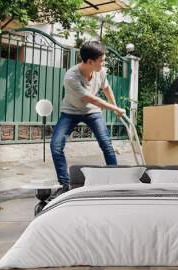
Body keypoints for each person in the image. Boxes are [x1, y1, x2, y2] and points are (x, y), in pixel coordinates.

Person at [50, 41, 125, 198]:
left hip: (92, 112)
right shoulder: (71, 77)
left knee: (106, 144)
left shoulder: (100, 71)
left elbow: (106, 89)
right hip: (70, 111)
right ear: (90, 62)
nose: (104, 63)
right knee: (56, 145)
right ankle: (64, 185)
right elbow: (94, 100)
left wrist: (115, 105)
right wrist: (116, 109)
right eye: (101, 60)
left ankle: (116, 182)